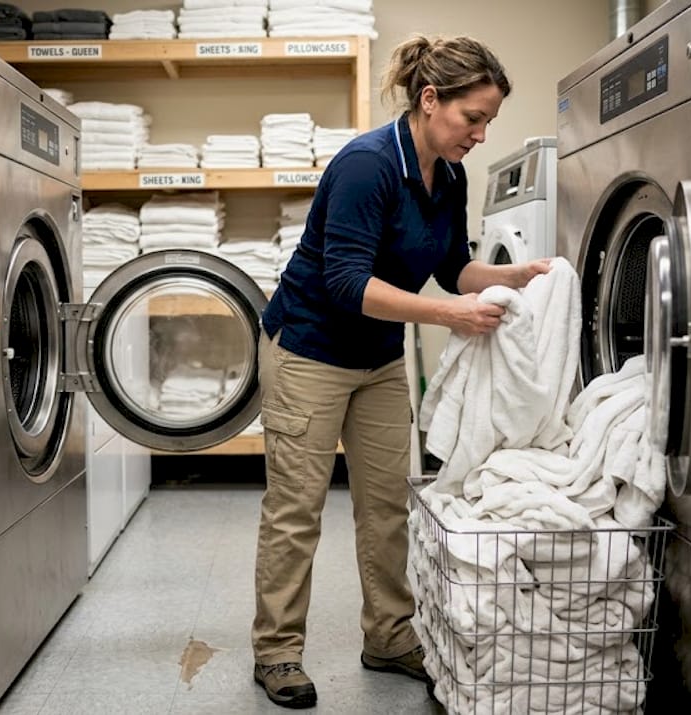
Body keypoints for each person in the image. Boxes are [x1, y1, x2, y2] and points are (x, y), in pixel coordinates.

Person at [250, 33, 552, 709]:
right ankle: (276, 651)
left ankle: (387, 635)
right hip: (310, 349)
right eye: (471, 117)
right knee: (296, 509)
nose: (478, 133)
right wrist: (449, 317)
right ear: (429, 99)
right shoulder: (367, 165)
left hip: (378, 355)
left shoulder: (449, 173)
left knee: (388, 503)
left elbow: (453, 268)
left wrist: (517, 275)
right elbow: (346, 280)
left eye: (488, 122)